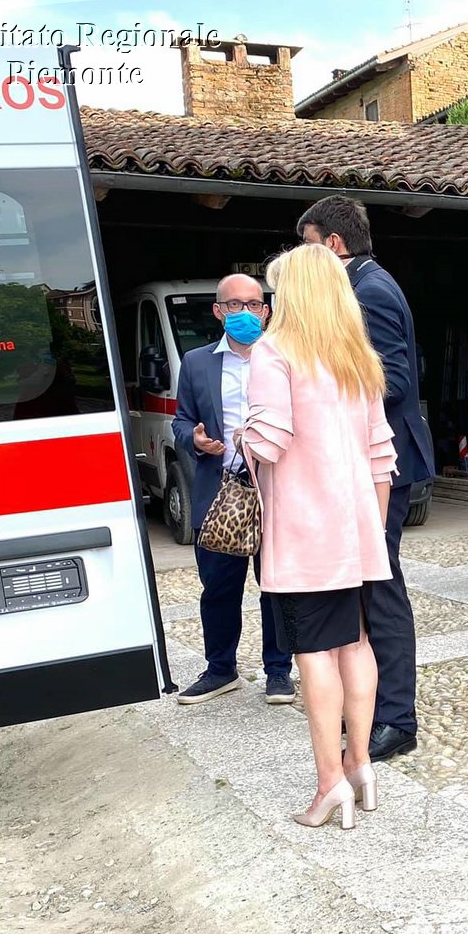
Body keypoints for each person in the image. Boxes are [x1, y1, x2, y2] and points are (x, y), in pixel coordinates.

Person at [240, 244, 397, 830]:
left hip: (306, 532)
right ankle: (360, 766)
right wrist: (374, 532)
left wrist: (239, 438)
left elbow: (271, 439)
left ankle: (329, 783)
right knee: (356, 644)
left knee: (313, 653)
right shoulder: (357, 357)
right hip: (356, 531)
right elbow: (383, 456)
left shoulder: (274, 351)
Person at [298, 195, 433, 763]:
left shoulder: (369, 291)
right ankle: (373, 705)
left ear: (333, 244)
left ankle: (397, 719)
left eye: (309, 247)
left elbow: (397, 379)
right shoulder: (363, 285)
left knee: (381, 589)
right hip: (363, 462)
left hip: (384, 464)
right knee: (367, 586)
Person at [171, 274, 294, 707]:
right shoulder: (198, 362)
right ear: (218, 311)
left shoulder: (285, 358)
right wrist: (196, 440)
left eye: (255, 304)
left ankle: (279, 671)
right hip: (221, 491)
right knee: (219, 588)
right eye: (235, 305)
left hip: (274, 491)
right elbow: (180, 421)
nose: (247, 312)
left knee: (277, 587)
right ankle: (220, 669)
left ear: (266, 309)